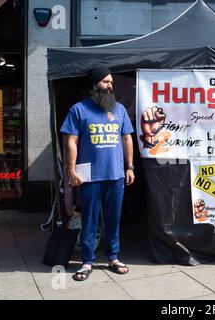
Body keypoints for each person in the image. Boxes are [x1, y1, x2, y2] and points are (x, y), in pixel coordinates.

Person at [60, 65, 135, 281]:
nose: (110, 85)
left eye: (111, 82)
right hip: (88, 176)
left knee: (113, 218)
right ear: (94, 84)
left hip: (115, 174)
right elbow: (70, 141)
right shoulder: (79, 110)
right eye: (105, 82)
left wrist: (129, 167)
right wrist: (71, 169)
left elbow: (126, 138)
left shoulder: (119, 109)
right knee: (89, 220)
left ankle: (113, 257)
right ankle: (87, 260)